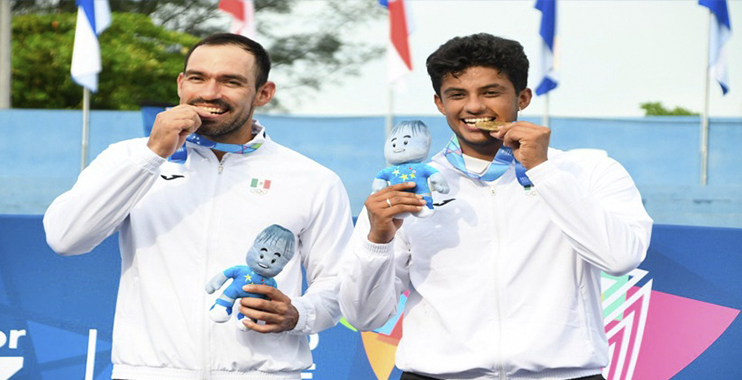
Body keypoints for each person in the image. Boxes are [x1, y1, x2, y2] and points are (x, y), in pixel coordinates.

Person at [339, 33, 653, 380]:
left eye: (490, 92)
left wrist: (543, 172)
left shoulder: (588, 171)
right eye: (457, 95)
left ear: (523, 97)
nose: (474, 107)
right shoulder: (411, 187)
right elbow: (363, 317)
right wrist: (377, 240)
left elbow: (620, 257)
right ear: (439, 103)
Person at [44, 33, 353, 380]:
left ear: (264, 93)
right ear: (180, 84)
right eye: (197, 78)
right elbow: (65, 238)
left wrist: (299, 313)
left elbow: (341, 283)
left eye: (230, 81)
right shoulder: (129, 157)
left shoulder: (312, 179)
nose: (209, 92)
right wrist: (152, 155)